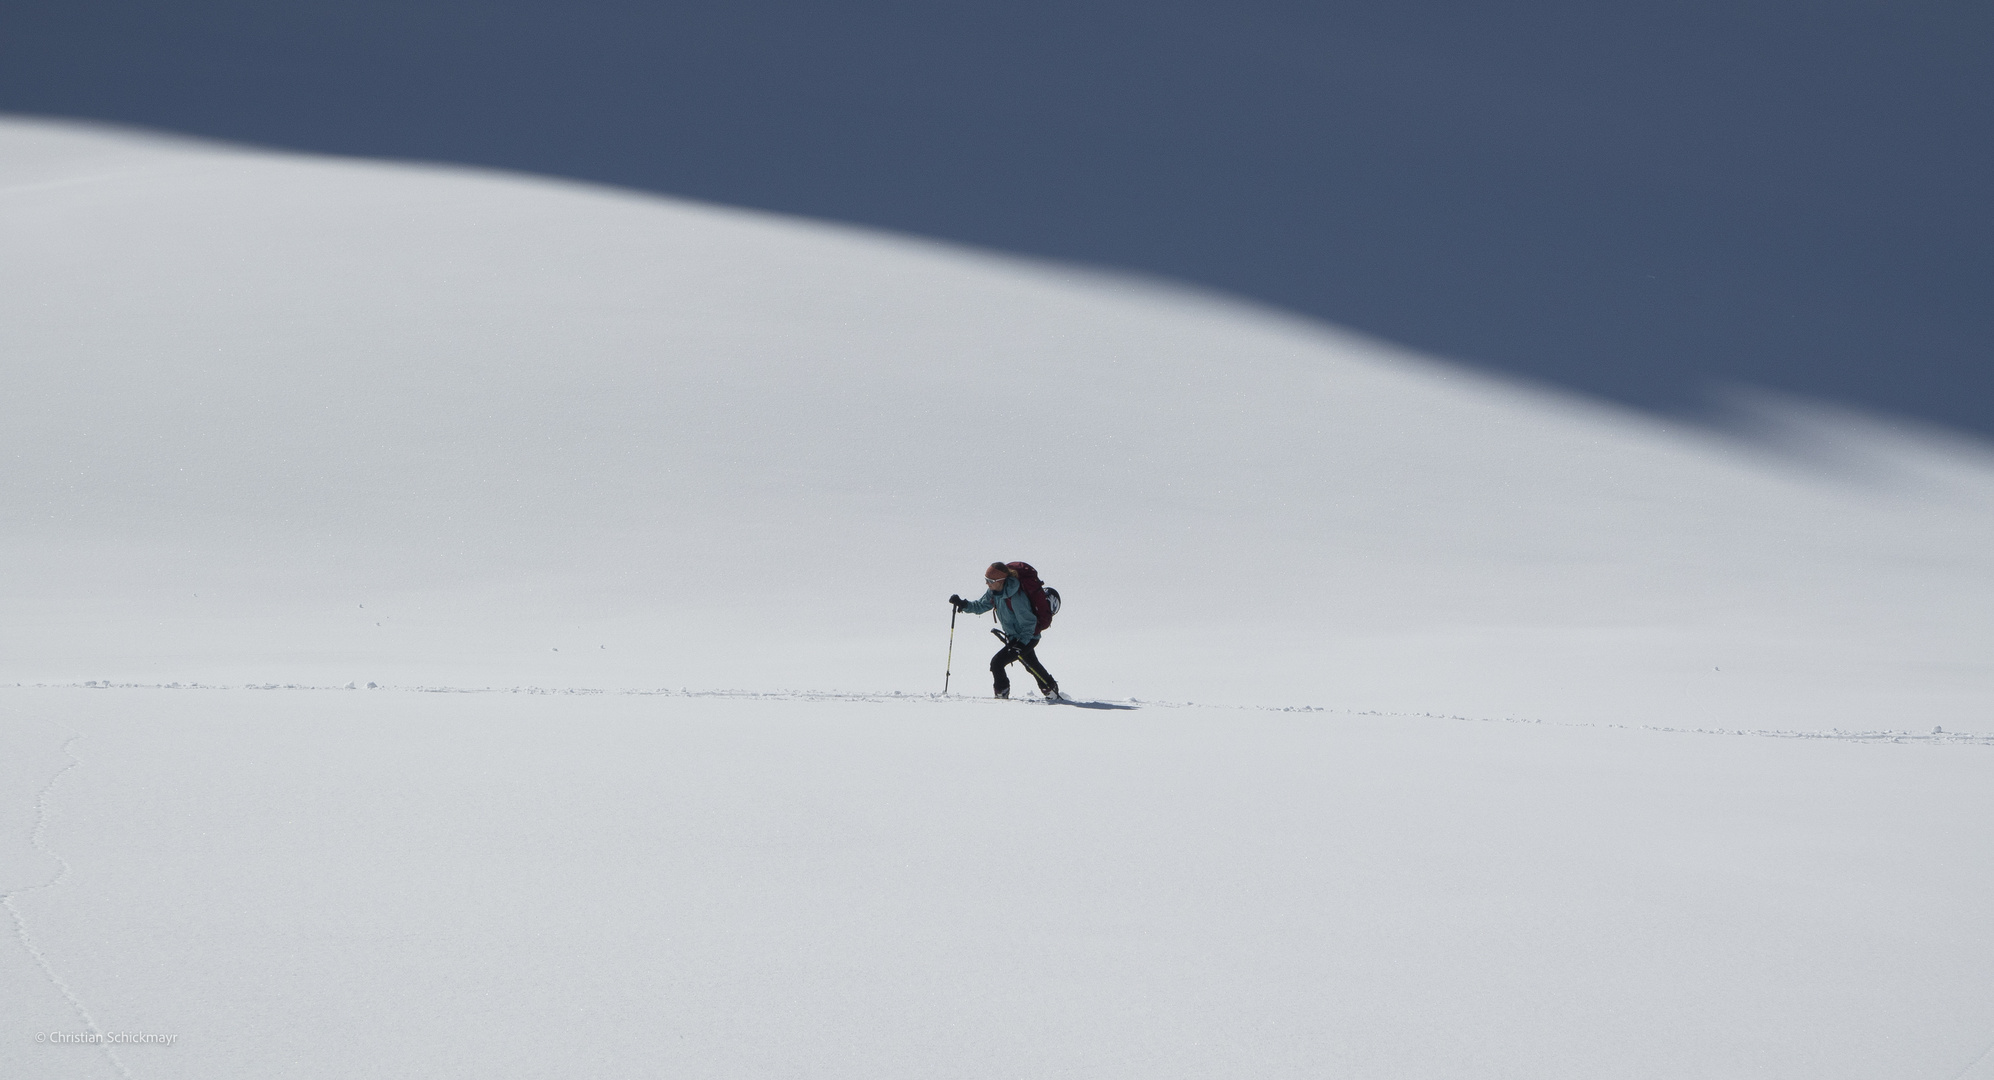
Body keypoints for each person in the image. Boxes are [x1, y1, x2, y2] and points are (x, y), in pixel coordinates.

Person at [951, 562, 1060, 700]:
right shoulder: (994, 592)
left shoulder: (1016, 597)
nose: (987, 584)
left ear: (1001, 580)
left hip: (1028, 637)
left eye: (990, 581)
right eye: (986, 580)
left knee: (997, 663)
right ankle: (1050, 688)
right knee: (1031, 664)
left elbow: (1029, 624)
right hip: (1015, 637)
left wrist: (1021, 645)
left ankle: (1002, 695)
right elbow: (980, 606)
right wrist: (964, 604)